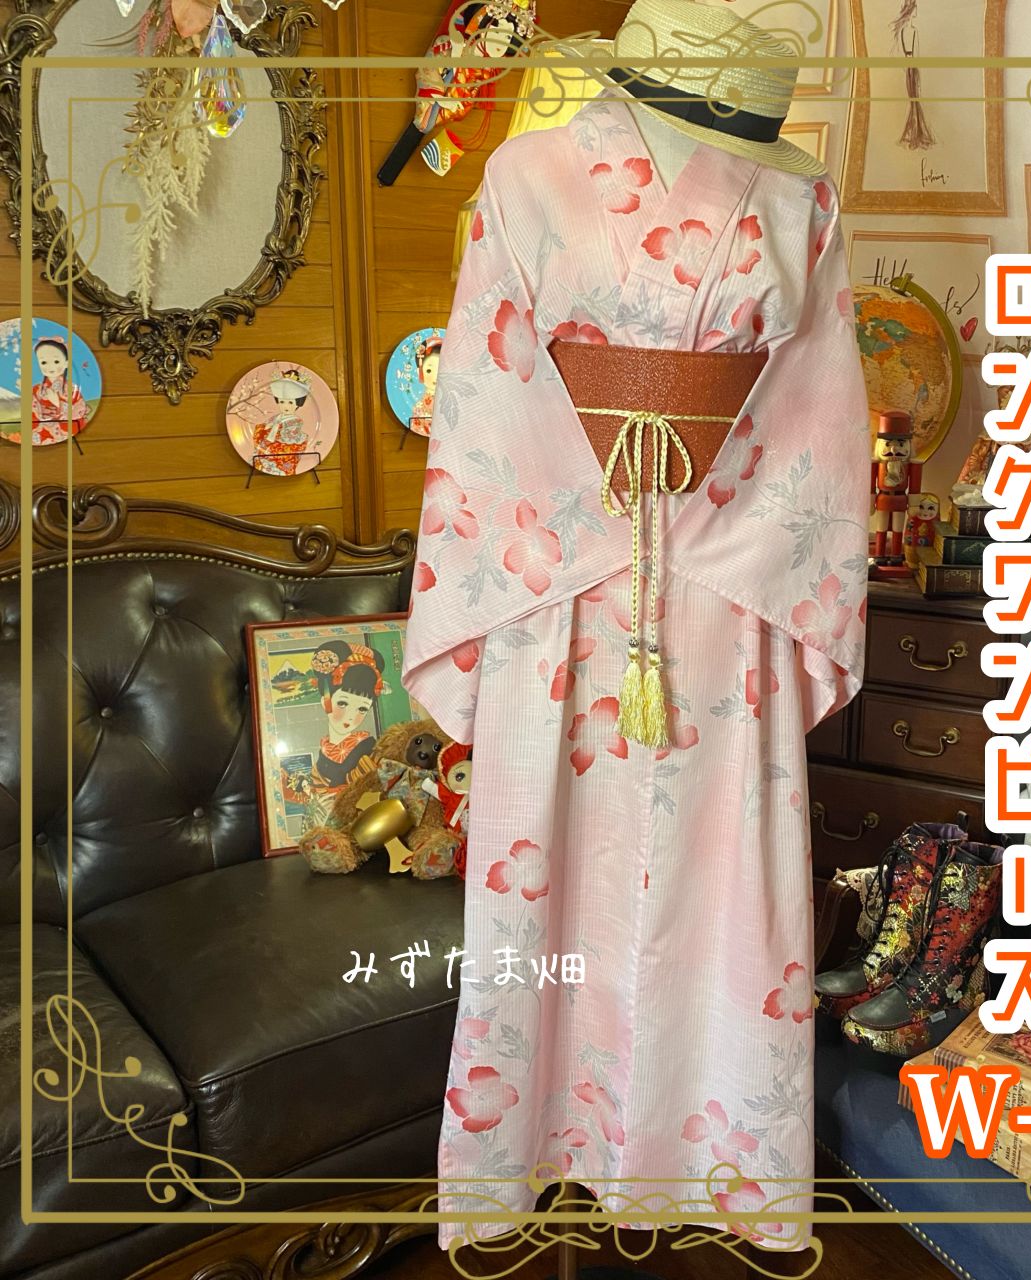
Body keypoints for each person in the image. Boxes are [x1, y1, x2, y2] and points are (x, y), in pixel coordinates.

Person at [402, 0, 870, 1253]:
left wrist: (693, 530)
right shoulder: (525, 174)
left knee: (720, 889)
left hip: (727, 586)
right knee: (546, 879)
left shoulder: (802, 200)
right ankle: (541, 1149)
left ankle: (701, 1156)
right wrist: (609, 526)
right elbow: (484, 383)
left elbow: (819, 413)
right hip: (553, 579)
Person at [307, 640, 385, 795]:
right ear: (326, 702)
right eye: (342, 703)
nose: (351, 716)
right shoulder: (324, 752)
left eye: (362, 709)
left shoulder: (370, 750)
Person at [252, 369, 312, 475]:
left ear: (298, 403)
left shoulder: (295, 423)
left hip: (281, 460)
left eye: (290, 403)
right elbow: (261, 433)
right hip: (265, 455)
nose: (285, 406)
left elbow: (291, 446)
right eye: (282, 402)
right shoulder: (275, 419)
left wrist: (271, 445)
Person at [30, 336, 88, 445]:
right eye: (43, 362)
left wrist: (57, 403)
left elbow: (78, 413)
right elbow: (31, 414)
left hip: (63, 431)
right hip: (41, 431)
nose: (50, 366)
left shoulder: (72, 389)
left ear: (66, 363)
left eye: (56, 361)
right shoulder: (36, 389)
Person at [409, 337, 442, 435]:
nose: (435, 376)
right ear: (419, 372)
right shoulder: (419, 409)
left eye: (441, 369)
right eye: (429, 370)